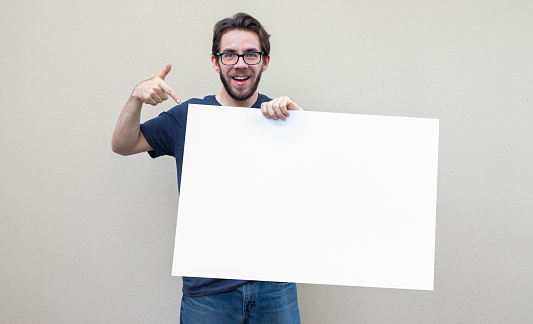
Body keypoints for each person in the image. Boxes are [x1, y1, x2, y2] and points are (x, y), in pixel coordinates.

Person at [112, 12, 302, 323]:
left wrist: (301, 119)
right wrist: (136, 97)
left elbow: (327, 178)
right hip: (208, 294)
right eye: (229, 54)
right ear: (216, 62)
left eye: (251, 54)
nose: (240, 63)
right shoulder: (188, 117)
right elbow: (122, 144)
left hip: (275, 287)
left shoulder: (282, 116)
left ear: (264, 61)